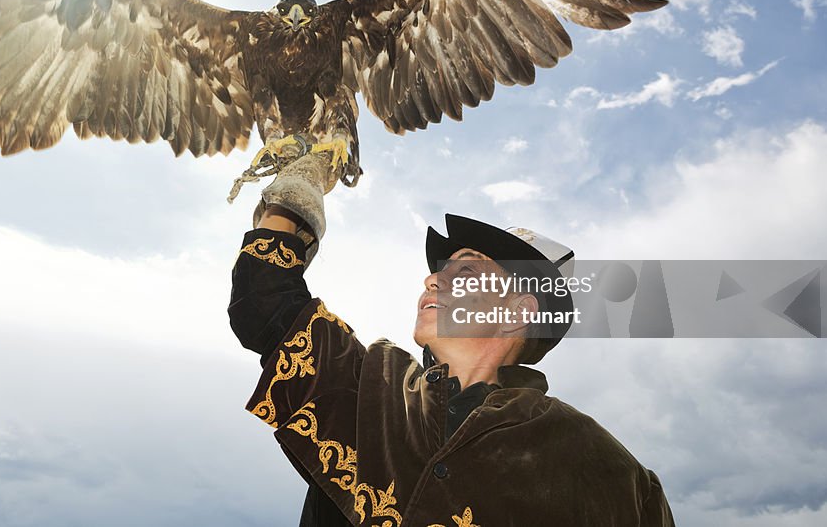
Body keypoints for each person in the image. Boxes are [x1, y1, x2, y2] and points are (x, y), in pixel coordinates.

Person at [229, 153, 675, 526]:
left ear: (519, 310)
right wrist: (292, 198)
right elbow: (264, 303)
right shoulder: (374, 387)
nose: (431, 280)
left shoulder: (612, 475)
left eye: (464, 270)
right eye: (439, 270)